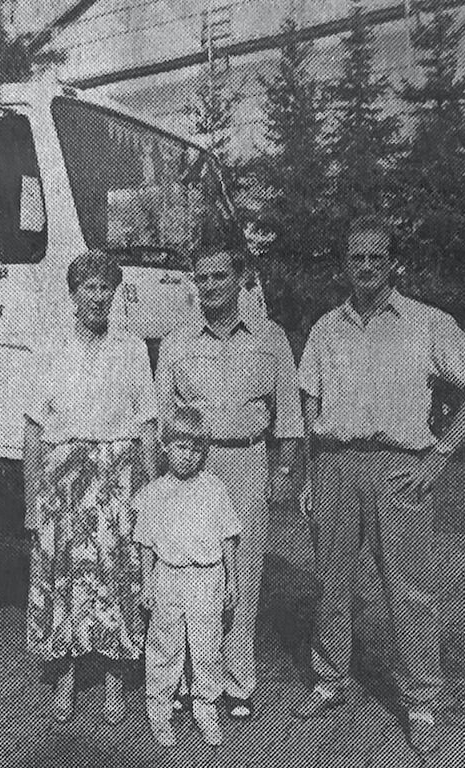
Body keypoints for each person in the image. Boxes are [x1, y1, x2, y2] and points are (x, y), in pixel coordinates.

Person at [292, 215, 465, 754]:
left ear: (394, 263)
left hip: (400, 468)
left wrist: (442, 454)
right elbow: (310, 405)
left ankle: (422, 699)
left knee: (407, 590)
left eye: (376, 257)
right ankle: (332, 679)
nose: (365, 267)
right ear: (345, 265)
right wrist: (311, 472)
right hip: (336, 463)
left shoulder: (429, 324)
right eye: (356, 257)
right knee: (332, 580)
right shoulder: (325, 327)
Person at [156, 239, 303, 720]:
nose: (211, 286)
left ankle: (237, 680)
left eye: (220, 276)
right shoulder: (178, 341)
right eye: (202, 277)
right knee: (187, 572)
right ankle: (184, 678)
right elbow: (164, 418)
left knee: (241, 575)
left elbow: (288, 415)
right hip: (192, 466)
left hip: (247, 465)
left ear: (240, 279)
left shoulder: (270, 338)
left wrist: (282, 470)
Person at [24, 250, 158, 724]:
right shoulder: (51, 348)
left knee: (116, 577)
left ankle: (116, 682)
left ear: (114, 292)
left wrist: (150, 495)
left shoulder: (133, 349)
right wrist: (30, 500)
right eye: (90, 288)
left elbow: (146, 425)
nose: (98, 297)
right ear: (73, 293)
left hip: (118, 475)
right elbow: (34, 430)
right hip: (64, 478)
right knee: (66, 580)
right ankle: (66, 678)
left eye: (106, 288)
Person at [134, 407, 239, 747]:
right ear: (164, 446)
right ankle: (159, 711)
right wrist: (148, 580)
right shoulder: (154, 493)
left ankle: (206, 709)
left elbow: (228, 538)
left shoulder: (215, 489)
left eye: (196, 449)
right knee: (164, 646)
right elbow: (146, 542)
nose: (188, 456)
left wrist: (232, 579)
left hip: (207, 578)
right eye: (181, 447)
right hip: (168, 577)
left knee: (207, 649)